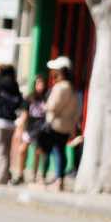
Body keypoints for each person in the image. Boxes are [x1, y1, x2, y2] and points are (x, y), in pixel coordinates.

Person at [36, 56, 81, 185]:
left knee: (50, 150)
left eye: (56, 71)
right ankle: (58, 178)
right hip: (66, 125)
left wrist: (45, 107)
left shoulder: (61, 87)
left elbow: (53, 106)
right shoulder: (72, 88)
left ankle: (50, 178)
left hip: (55, 125)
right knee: (60, 150)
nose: (53, 74)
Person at [0, 63, 26, 183]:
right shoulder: (15, 86)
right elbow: (20, 103)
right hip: (11, 123)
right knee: (6, 151)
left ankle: (0, 177)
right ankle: (5, 175)